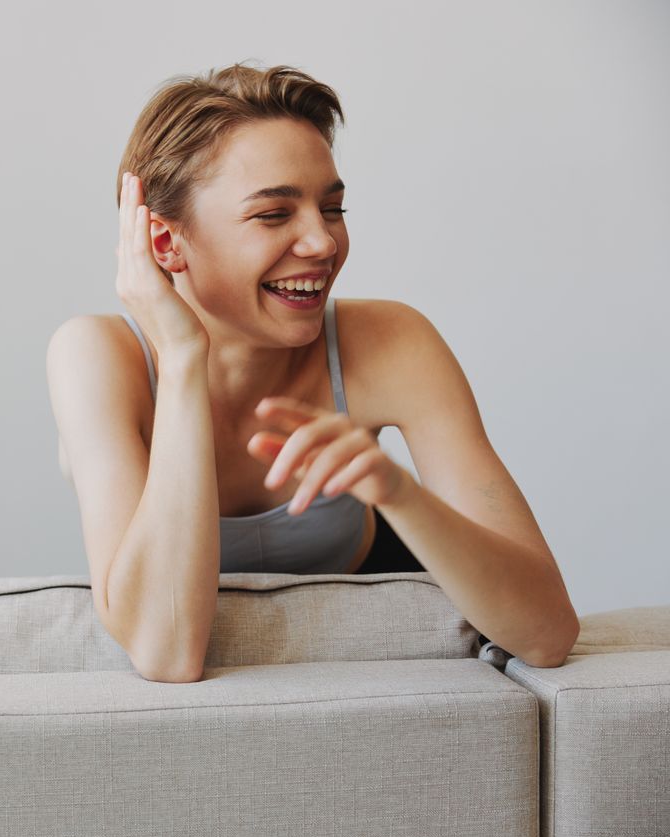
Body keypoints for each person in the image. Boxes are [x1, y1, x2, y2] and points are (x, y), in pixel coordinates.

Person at [45, 62, 578, 681]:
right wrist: (186, 359)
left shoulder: (391, 341)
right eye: (274, 215)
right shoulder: (96, 356)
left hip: (372, 621)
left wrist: (398, 492)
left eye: (333, 207)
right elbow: (165, 652)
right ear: (165, 245)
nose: (322, 243)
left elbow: (547, 634)